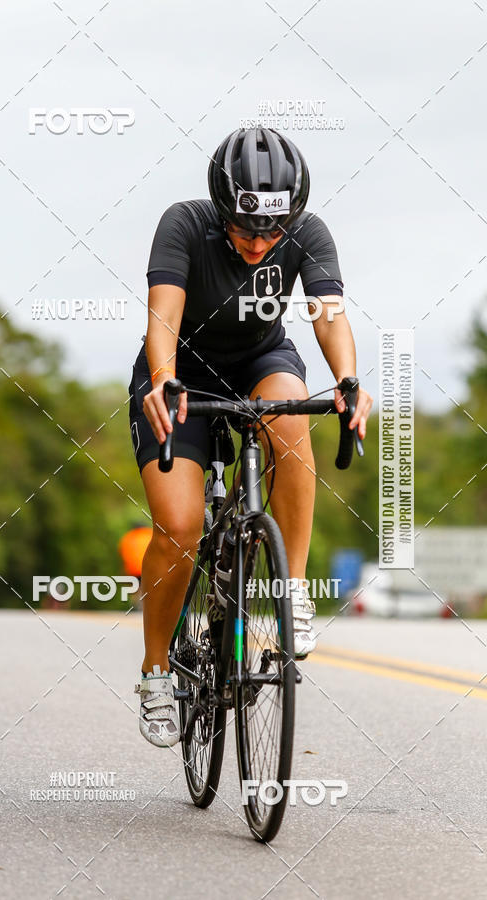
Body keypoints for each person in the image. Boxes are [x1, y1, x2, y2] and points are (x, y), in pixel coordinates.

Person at [129, 127, 372, 747]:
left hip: (261, 361)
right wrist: (162, 381)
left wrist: (347, 380)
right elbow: (164, 318)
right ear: (221, 207)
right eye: (247, 230)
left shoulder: (307, 233)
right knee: (180, 526)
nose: (263, 244)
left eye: (274, 231)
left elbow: (328, 315)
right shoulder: (184, 225)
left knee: (290, 420)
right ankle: (157, 670)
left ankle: (289, 589)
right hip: (178, 374)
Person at [118, 521, 153, 610]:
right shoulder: (150, 534)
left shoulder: (128, 537)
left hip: (132, 569)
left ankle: (136, 604)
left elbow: (123, 554)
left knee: (136, 588)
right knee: (149, 587)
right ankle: (147, 606)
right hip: (148, 568)